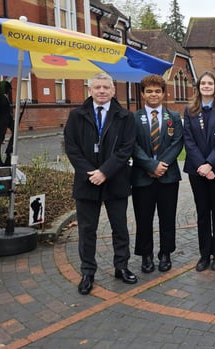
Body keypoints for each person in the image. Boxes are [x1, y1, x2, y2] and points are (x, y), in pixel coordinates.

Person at [64, 72, 137, 295]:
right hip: (87, 183)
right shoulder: (76, 115)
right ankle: (87, 272)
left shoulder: (125, 116)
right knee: (87, 230)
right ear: (90, 90)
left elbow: (126, 148)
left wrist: (104, 172)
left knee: (119, 228)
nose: (102, 91)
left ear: (113, 90)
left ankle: (121, 267)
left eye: (106, 87)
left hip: (115, 180)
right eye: (98, 87)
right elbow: (71, 148)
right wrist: (91, 173)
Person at [131, 75, 183, 274]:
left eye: (157, 91)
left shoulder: (174, 117)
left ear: (163, 93)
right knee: (143, 218)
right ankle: (146, 256)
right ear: (143, 94)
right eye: (149, 91)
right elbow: (132, 145)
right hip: (142, 177)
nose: (153, 94)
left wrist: (162, 165)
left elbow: (178, 142)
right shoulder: (134, 118)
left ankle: (166, 254)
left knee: (167, 217)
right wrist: (151, 165)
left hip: (168, 176)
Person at [183, 71, 215, 272]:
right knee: (203, 213)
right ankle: (204, 254)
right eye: (203, 83)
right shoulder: (190, 110)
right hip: (197, 171)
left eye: (209, 83)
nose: (206, 86)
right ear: (198, 87)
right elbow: (188, 140)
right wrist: (202, 167)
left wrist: (210, 164)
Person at [0, 80, 14, 167]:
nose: (10, 91)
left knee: (15, 132)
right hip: (1, 121)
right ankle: (0, 161)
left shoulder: (3, 96)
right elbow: (2, 109)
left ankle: (8, 152)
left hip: (6, 119)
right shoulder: (0, 96)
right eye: (9, 89)